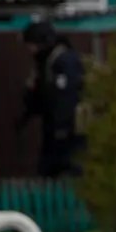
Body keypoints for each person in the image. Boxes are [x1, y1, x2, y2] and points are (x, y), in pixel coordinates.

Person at [17, 19, 87, 178]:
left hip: (70, 130)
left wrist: (61, 127)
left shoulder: (64, 61)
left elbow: (67, 96)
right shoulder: (46, 64)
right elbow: (41, 97)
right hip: (54, 129)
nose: (31, 51)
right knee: (49, 170)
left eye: (32, 45)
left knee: (69, 168)